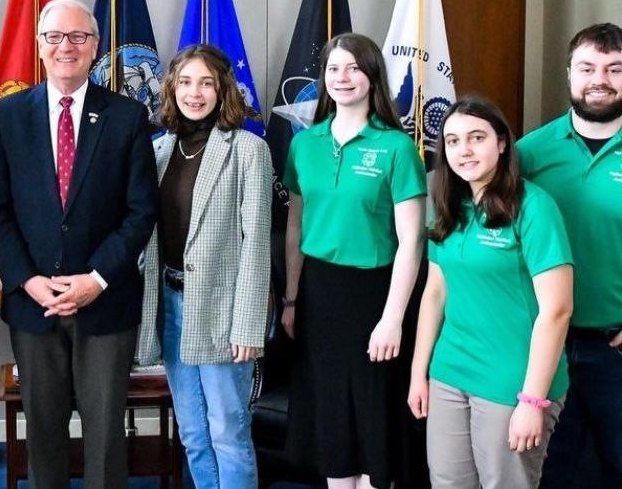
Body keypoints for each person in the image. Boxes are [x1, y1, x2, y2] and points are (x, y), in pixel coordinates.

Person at [0, 0, 158, 488]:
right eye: (55, 37)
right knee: (43, 432)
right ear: (39, 46)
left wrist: (96, 279)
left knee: (104, 437)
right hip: (33, 304)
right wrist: (28, 281)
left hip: (106, 301)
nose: (66, 46)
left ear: (95, 47)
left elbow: (140, 211)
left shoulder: (126, 116)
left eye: (78, 37)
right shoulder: (8, 115)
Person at [281, 32, 426, 489]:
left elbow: (411, 243)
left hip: (377, 292)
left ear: (372, 75)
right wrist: (290, 300)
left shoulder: (397, 148)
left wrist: (393, 318)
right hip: (319, 293)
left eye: (353, 68)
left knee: (373, 412)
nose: (343, 78)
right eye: (333, 69)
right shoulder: (306, 144)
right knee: (330, 411)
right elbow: (295, 227)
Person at [408, 95, 573, 488]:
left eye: (476, 137)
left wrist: (533, 401)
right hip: (450, 372)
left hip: (511, 381)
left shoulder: (534, 207)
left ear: (501, 143)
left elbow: (557, 310)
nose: (463, 150)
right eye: (452, 140)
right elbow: (434, 292)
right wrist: (419, 373)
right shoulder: (448, 205)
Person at [135, 43, 272, 488]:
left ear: (222, 90)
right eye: (186, 82)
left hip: (223, 311)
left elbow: (256, 246)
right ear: (172, 88)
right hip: (171, 306)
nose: (195, 93)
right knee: (193, 433)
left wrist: (249, 326)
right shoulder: (158, 150)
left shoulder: (248, 150)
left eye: (206, 83)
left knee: (228, 431)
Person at [518, 22, 622, 487]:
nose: (599, 78)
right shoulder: (527, 154)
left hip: (614, 350)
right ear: (568, 74)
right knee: (549, 472)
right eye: (587, 67)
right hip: (544, 348)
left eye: (614, 69)